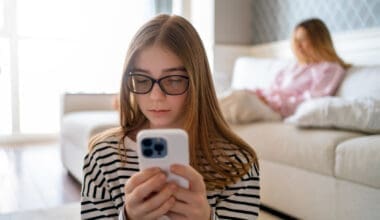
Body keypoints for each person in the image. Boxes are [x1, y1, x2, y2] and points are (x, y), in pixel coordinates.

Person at [81, 14, 260, 220]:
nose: (155, 96)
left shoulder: (237, 163)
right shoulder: (103, 158)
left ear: (196, 82)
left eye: (174, 80)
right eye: (141, 79)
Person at [221, 18, 349, 123]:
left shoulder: (330, 69)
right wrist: (259, 95)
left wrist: (273, 102)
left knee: (239, 100)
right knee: (234, 95)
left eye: (303, 40)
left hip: (278, 112)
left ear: (318, 41)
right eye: (296, 40)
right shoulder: (293, 67)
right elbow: (272, 88)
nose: (298, 45)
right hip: (266, 103)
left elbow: (312, 100)